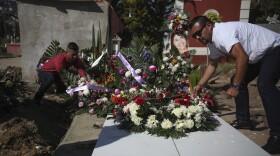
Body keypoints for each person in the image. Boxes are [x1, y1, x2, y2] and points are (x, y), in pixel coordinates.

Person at [189, 16, 280, 154]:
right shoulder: (211, 41)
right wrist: (200, 85)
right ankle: (243, 119)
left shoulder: (223, 34)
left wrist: (236, 87)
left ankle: (277, 136)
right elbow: (213, 65)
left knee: (265, 85)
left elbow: (242, 57)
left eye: (198, 33)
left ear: (208, 25)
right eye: (194, 35)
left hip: (274, 48)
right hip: (259, 55)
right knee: (238, 79)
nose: (197, 38)